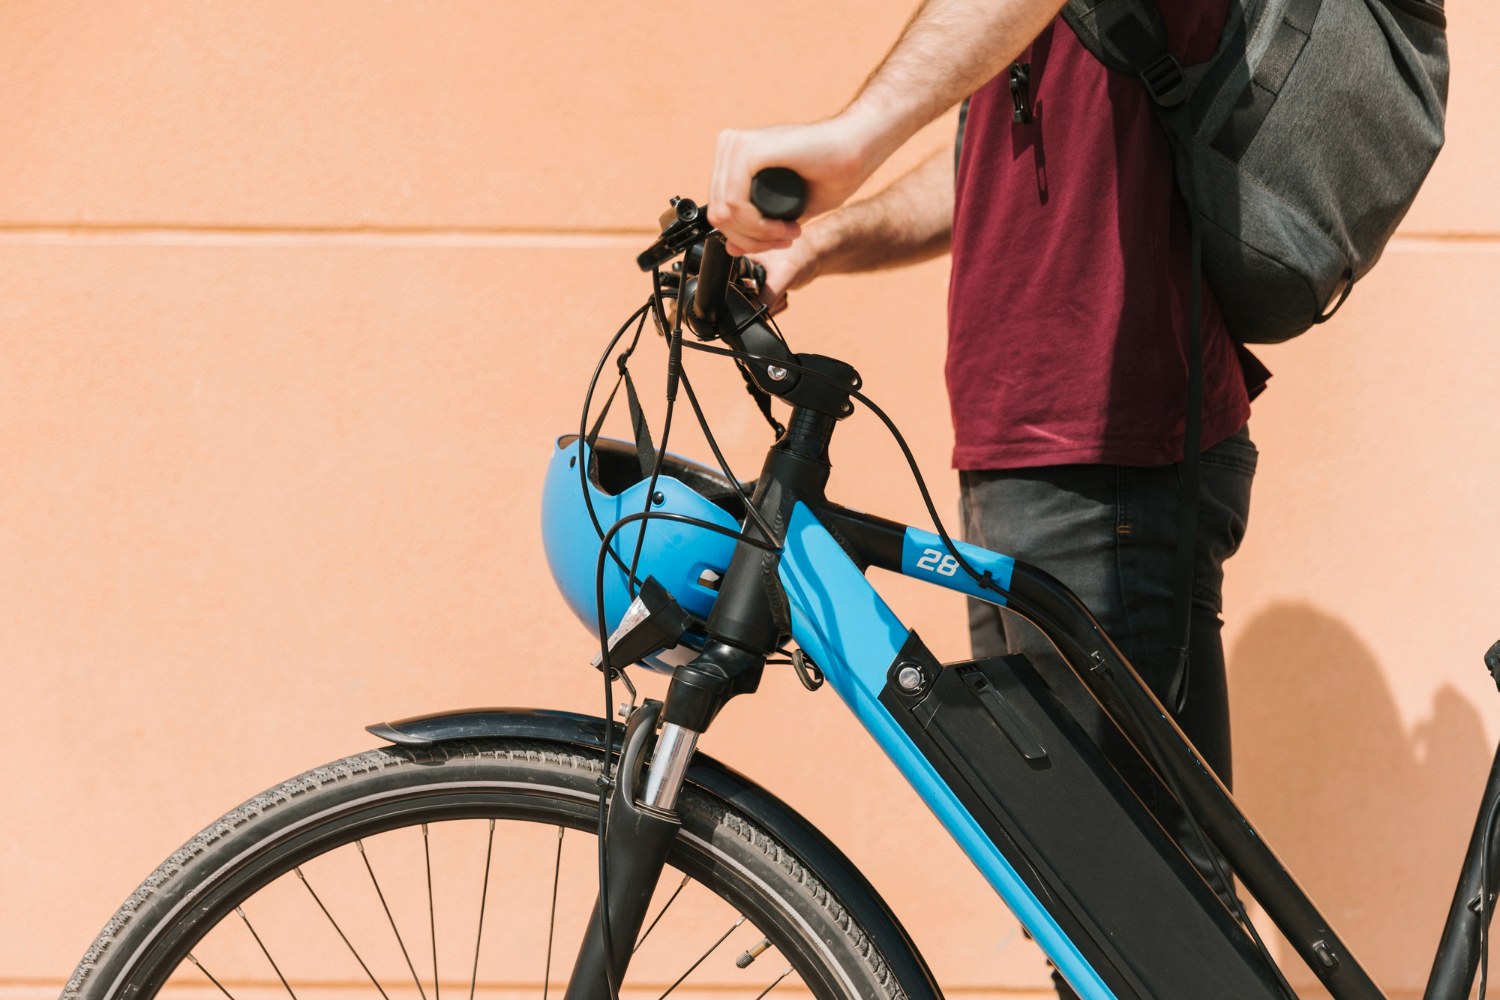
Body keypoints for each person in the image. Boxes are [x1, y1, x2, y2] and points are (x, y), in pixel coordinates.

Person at [708, 2, 1268, 996]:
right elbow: (985, 170)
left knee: (1147, 922)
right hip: (1041, 447)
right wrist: (817, 243)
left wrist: (849, 139)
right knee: (1093, 908)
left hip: (1105, 444)